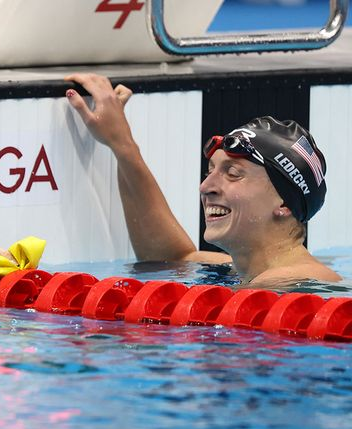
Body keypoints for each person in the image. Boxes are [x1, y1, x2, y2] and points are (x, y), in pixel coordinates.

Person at [63, 73, 340, 285]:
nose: (205, 187)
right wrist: (121, 144)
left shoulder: (289, 282)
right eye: (210, 172)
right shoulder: (241, 271)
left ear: (284, 203)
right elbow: (168, 258)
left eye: (233, 174)